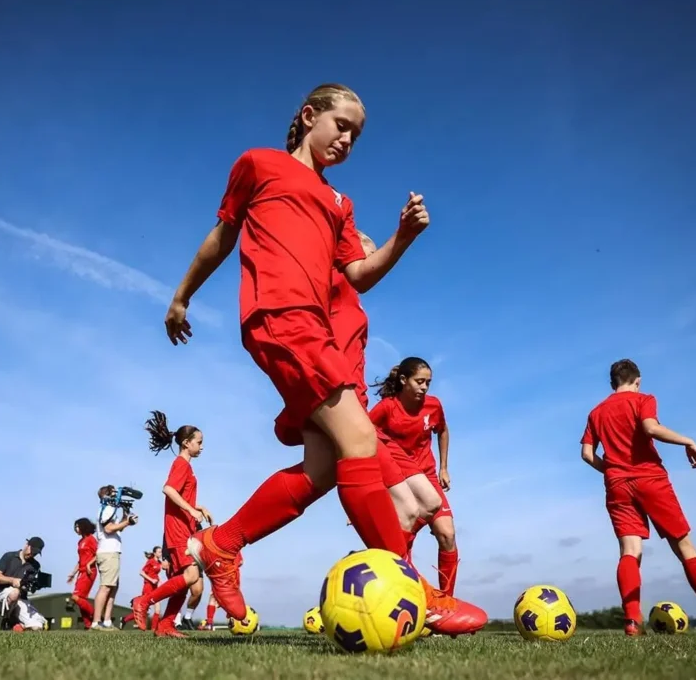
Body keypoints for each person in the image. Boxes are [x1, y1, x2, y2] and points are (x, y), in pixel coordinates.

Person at [162, 83, 474, 633]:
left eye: (358, 134)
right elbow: (222, 235)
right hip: (280, 315)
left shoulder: (340, 204)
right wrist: (182, 295)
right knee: (361, 441)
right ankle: (417, 591)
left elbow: (358, 276)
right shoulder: (258, 165)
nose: (349, 138)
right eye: (342, 124)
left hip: (316, 332)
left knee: (324, 468)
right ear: (310, 116)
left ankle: (221, 544)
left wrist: (401, 238)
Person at [580, 359, 696, 636]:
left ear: (612, 383)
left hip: (616, 484)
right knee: (685, 547)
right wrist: (688, 441)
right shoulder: (644, 399)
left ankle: (632, 621)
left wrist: (612, 470)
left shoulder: (596, 412)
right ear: (638, 380)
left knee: (630, 551)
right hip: (650, 479)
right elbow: (651, 428)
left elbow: (586, 453)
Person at [369, 357, 460, 596]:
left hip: (427, 475)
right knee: (407, 531)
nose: (424, 387)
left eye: (428, 383)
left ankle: (446, 602)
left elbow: (442, 430)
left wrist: (444, 468)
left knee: (447, 535)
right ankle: (398, 585)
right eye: (419, 381)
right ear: (403, 380)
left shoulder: (433, 405)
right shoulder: (387, 408)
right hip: (400, 477)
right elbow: (363, 440)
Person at [131, 411, 212, 638]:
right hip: (178, 528)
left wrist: (199, 508)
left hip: (184, 527)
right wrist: (191, 509)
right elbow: (168, 489)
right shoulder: (181, 464)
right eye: (199, 442)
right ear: (186, 443)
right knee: (191, 577)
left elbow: (182, 494)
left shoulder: (186, 466)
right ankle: (144, 601)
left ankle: (165, 626)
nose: (202, 447)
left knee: (184, 580)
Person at [91, 485, 139, 631]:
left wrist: (126, 516)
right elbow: (108, 528)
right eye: (113, 493)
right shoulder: (106, 509)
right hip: (108, 552)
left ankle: (106, 621)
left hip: (112, 551)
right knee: (105, 587)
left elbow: (119, 527)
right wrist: (127, 522)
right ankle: (96, 622)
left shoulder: (110, 510)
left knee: (113, 588)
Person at [0, 537, 48, 631]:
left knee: (37, 627)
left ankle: (17, 625)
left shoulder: (35, 566)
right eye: (32, 551)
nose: (32, 554)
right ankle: (8, 620)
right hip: (2, 597)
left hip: (21, 599)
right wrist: (12, 581)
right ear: (27, 545)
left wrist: (35, 586)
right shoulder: (9, 556)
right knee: (14, 593)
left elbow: (29, 587)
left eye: (35, 553)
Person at [120, 547, 163, 630]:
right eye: (159, 552)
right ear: (155, 553)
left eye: (161, 552)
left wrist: (159, 582)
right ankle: (125, 619)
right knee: (144, 610)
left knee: (157, 608)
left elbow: (155, 574)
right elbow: (141, 572)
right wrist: (151, 580)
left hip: (155, 587)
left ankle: (153, 629)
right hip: (148, 587)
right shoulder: (150, 561)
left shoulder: (159, 563)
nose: (161, 554)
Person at [66, 517, 97, 629]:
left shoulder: (91, 539)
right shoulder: (80, 542)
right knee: (81, 600)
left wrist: (89, 564)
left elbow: (98, 554)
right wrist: (73, 573)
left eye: (78, 526)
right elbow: (80, 560)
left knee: (75, 597)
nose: (76, 528)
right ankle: (88, 625)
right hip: (81, 571)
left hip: (89, 571)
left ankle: (96, 616)